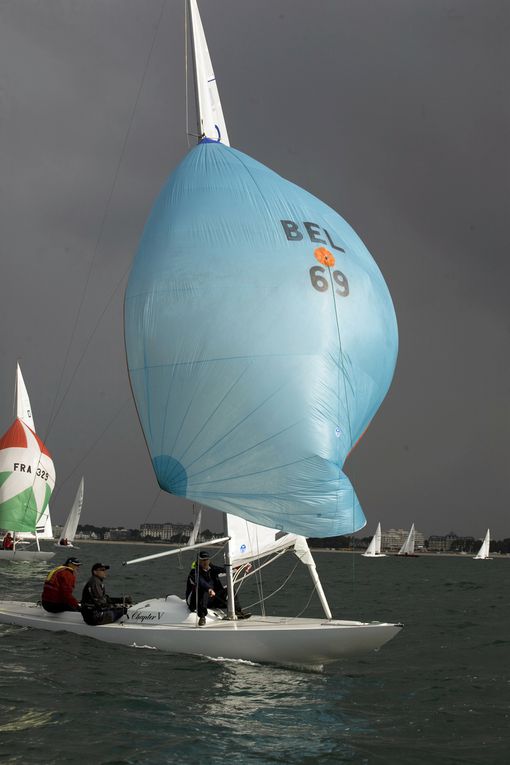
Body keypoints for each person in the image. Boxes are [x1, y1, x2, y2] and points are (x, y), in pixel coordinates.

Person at [185, 550, 250, 626]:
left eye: (206, 560)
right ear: (199, 561)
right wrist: (209, 589)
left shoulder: (212, 568)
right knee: (203, 590)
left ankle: (238, 612)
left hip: (212, 599)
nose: (205, 562)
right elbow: (201, 582)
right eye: (202, 560)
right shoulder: (194, 572)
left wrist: (241, 566)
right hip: (194, 601)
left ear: (209, 560)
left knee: (230, 591)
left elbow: (225, 570)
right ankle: (202, 617)